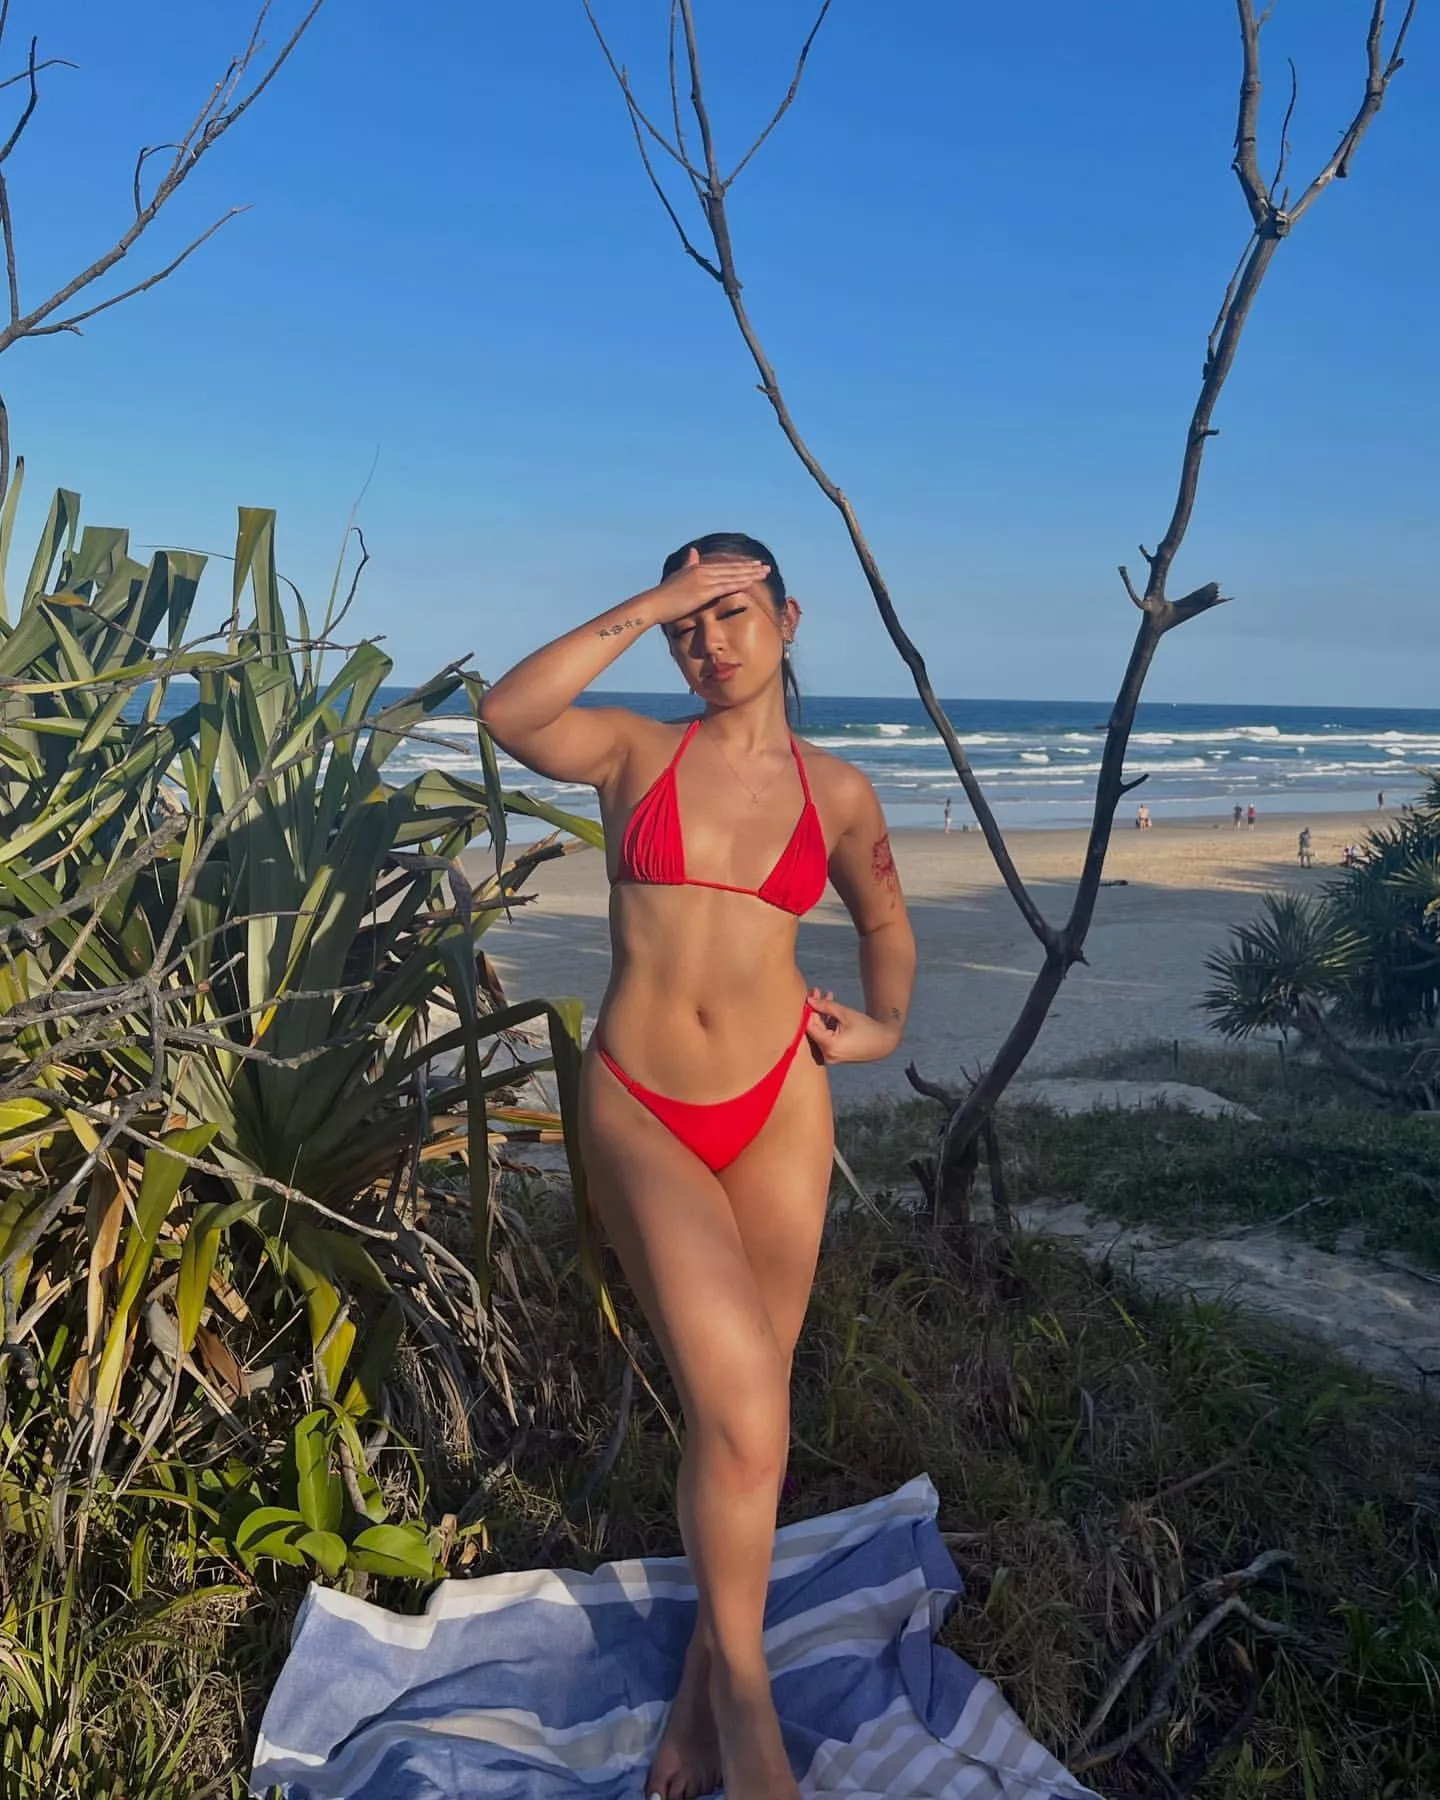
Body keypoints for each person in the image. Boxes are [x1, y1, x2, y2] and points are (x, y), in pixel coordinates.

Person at [478, 533, 917, 1800]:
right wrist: (648, 600)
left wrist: (880, 1030)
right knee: (739, 1411)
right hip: (642, 1106)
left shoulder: (836, 792)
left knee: (752, 1429)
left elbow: (886, 923)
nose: (707, 641)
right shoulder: (633, 751)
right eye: (689, 624)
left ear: (788, 618)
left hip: (781, 1102)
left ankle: (693, 1700)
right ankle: (748, 1707)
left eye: (730, 612)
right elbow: (512, 710)